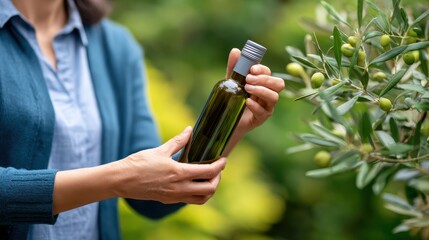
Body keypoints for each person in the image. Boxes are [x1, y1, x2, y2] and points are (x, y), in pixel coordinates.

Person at [0, 0, 285, 239]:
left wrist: (231, 127)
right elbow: (131, 180)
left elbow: (153, 199)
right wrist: (116, 180)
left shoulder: (115, 47)